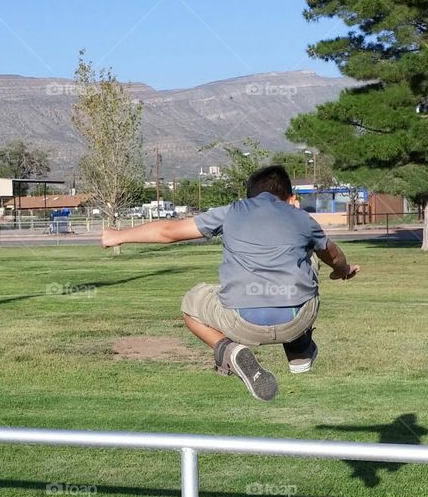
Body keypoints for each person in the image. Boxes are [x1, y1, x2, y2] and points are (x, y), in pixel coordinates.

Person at [101, 164, 359, 401]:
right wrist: (343, 271)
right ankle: (299, 349)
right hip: (298, 319)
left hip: (241, 323)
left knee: (192, 301)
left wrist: (118, 236)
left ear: (250, 196)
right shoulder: (302, 219)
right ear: (291, 198)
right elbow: (334, 255)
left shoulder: (232, 212)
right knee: (310, 256)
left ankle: (229, 351)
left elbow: (168, 232)